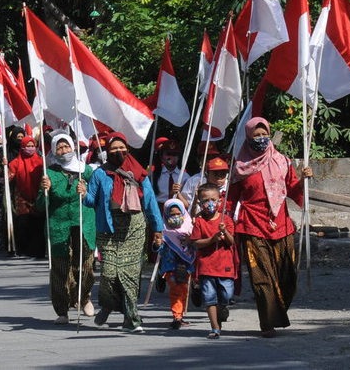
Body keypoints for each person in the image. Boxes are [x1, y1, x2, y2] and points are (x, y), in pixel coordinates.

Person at [227, 117, 312, 338]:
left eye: (264, 134)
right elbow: (230, 200)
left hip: (282, 225)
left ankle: (277, 312)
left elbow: (293, 190)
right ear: (248, 137)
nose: (261, 139)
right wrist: (225, 223)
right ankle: (267, 323)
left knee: (288, 277)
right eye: (256, 135)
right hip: (252, 225)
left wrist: (304, 179)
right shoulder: (240, 167)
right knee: (261, 277)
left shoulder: (282, 161)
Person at [81, 132, 164, 333]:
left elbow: (150, 201)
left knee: (129, 276)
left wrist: (158, 229)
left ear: (127, 149)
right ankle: (109, 304)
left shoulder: (138, 173)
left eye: (121, 148)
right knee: (109, 274)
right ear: (108, 152)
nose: (118, 151)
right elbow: (91, 201)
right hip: (108, 229)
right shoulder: (100, 174)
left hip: (134, 228)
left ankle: (132, 319)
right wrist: (83, 193)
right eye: (114, 149)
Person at [37, 133, 97, 324]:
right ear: (54, 151)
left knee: (86, 266)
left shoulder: (85, 171)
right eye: (59, 148)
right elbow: (39, 206)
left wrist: (86, 192)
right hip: (59, 226)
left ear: (73, 148)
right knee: (61, 269)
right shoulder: (50, 173)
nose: (64, 151)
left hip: (83, 224)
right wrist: (44, 190)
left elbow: (97, 195)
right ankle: (62, 310)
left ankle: (84, 297)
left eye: (66, 147)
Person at [190, 183, 236, 340]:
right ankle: (215, 327)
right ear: (200, 202)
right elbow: (195, 243)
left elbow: (231, 242)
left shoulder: (227, 220)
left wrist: (224, 232)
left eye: (213, 200)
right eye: (205, 200)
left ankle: (222, 308)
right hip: (206, 266)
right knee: (209, 298)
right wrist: (212, 239)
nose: (210, 203)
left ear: (219, 201)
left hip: (225, 266)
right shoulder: (199, 221)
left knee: (227, 295)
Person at [157, 198, 196, 330]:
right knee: (176, 289)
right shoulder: (163, 230)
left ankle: (179, 315)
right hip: (170, 266)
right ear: (166, 214)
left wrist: (190, 240)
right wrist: (157, 244)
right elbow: (159, 249)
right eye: (172, 214)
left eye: (178, 214)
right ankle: (177, 316)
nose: (175, 217)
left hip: (186, 266)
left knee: (183, 290)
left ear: (183, 213)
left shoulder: (190, 228)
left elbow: (196, 245)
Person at [7, 136, 45, 258]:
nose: (30, 148)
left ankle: (37, 249)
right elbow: (9, 178)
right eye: (27, 146)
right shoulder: (15, 163)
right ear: (22, 147)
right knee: (23, 223)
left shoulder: (41, 162)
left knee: (38, 224)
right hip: (22, 198)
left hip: (38, 196)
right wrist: (2, 167)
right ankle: (23, 248)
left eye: (32, 146)